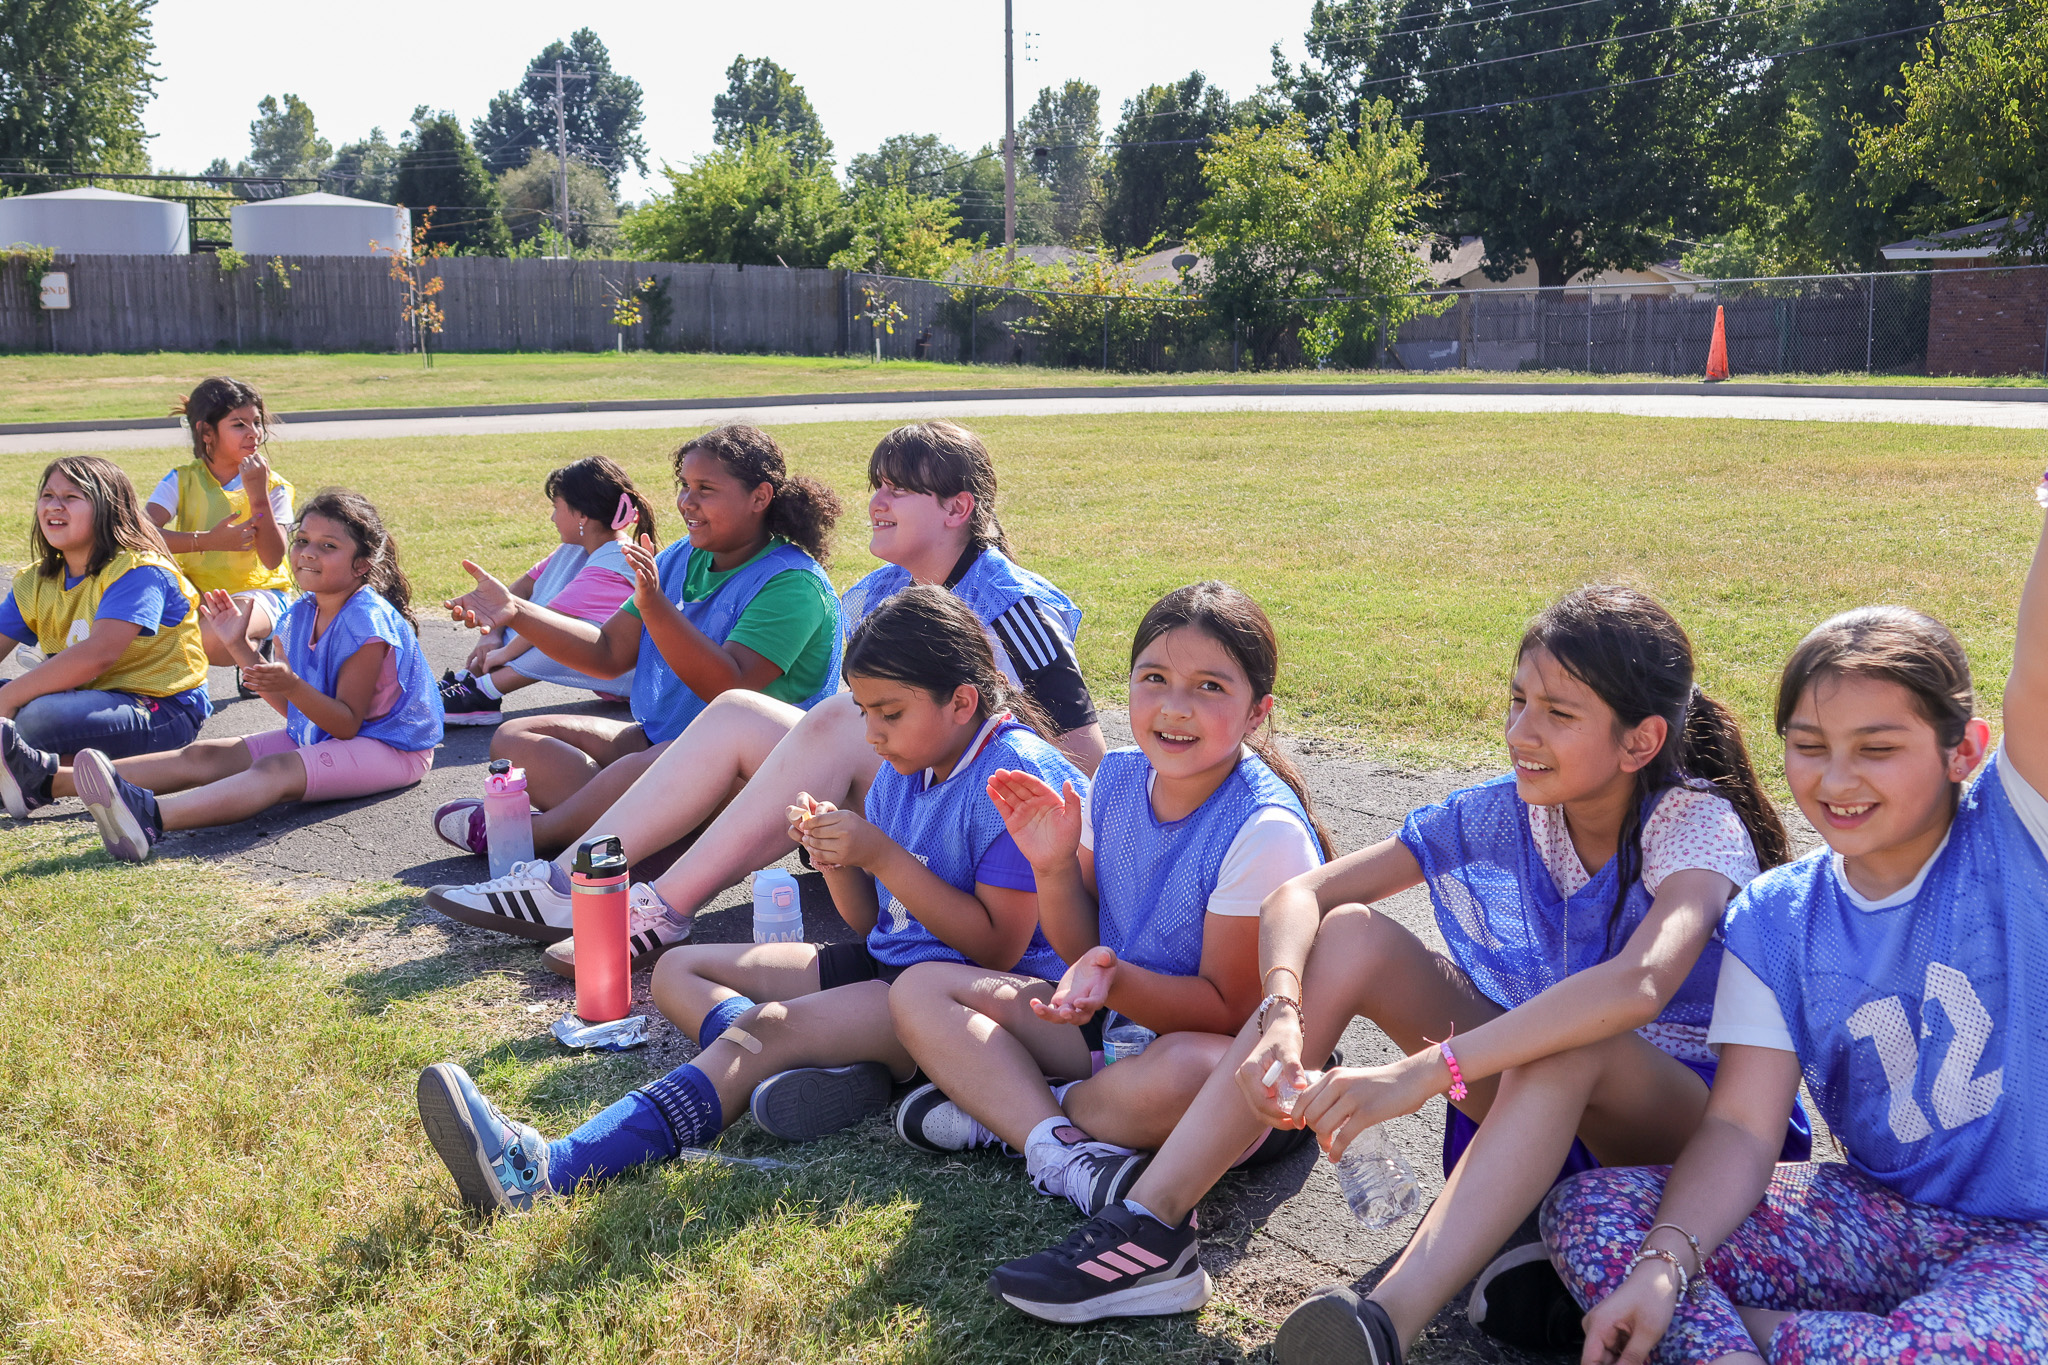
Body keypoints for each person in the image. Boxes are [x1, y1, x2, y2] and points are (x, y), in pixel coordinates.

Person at [981, 585, 1809, 1353]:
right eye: (1518, 700)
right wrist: (1279, 1011)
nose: (1522, 731)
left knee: (1574, 1037)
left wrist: (1423, 1073)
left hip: (1687, 1128)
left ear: (1642, 739)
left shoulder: (1695, 823)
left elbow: (1638, 985)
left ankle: (1383, 1324)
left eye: (1558, 712)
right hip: (1535, 1097)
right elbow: (1300, 895)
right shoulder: (1513, 803)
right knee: (1352, 933)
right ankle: (1152, 1225)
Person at [1547, 500, 2048, 1365]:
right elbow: (1741, 1127)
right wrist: (1666, 1267)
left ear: (1965, 749)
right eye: (1809, 744)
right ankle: (1796, 1343)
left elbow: (2037, 676)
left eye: (1877, 747)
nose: (1837, 778)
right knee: (1596, 1214)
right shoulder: (1777, 915)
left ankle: (1752, 1342)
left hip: (2032, 1247)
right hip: (1875, 1215)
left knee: (1955, 1348)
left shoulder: (2015, 835)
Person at [414, 586, 1086, 1212]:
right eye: (862, 711)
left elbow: (996, 945)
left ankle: (548, 1170)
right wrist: (840, 859)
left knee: (764, 1030)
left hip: (972, 999)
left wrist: (877, 852)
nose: (871, 733)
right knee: (679, 967)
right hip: (903, 967)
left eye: (889, 713)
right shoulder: (911, 762)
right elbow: (871, 923)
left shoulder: (1013, 774)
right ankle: (829, 1067)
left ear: (963, 701)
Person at [427, 420, 1104, 974]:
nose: (876, 500)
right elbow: (864, 732)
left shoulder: (1010, 602)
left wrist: (976, 779)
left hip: (992, 840)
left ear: (958, 507)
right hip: (896, 804)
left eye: (898, 489)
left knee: (800, 716)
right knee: (737, 716)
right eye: (876, 484)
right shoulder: (874, 593)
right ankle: (573, 885)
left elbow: (1083, 764)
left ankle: (654, 902)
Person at [886, 581, 1332, 1222]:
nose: (1174, 708)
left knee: (1190, 1072)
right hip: (1114, 1037)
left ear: (1257, 713)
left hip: (1217, 1067)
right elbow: (1079, 943)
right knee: (920, 990)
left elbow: (1229, 1013)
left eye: (1210, 687)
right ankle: (1062, 1147)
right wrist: (1053, 866)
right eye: (1153, 677)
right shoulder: (1118, 777)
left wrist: (1113, 979)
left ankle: (1019, 1114)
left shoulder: (1264, 828)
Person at [428, 422, 842, 889]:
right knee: (517, 738)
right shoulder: (682, 555)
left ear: (760, 497)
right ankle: (643, 831)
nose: (687, 501)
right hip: (663, 741)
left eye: (706, 489)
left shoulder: (792, 584)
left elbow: (728, 690)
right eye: (684, 486)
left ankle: (538, 836)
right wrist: (517, 611)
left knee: (645, 766)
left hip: (756, 780)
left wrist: (656, 607)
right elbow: (607, 654)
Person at [2, 489, 443, 860]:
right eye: (303, 540)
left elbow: (345, 724)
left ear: (362, 564)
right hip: (327, 734)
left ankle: (150, 817)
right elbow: (296, 713)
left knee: (275, 771)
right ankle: (45, 781)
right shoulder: (299, 613)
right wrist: (240, 647)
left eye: (329, 546)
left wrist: (288, 683)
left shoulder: (367, 624)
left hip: (390, 749)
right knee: (204, 756)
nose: (308, 552)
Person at [0, 455, 210, 781]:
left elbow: (98, 655)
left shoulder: (138, 570)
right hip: (84, 701)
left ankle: (36, 774)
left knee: (37, 717)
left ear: (108, 509)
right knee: (23, 707)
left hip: (161, 711)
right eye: (47, 495)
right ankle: (30, 770)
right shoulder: (35, 581)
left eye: (71, 497)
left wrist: (9, 697)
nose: (54, 506)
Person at [437, 455, 660, 725]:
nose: (553, 517)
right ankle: (473, 681)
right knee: (533, 613)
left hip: (636, 678)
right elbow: (520, 591)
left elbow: (549, 621)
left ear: (582, 515)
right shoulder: (574, 550)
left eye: (557, 507)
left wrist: (502, 655)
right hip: (606, 667)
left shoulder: (615, 561)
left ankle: (484, 692)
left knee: (558, 632)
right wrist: (491, 637)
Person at [147, 376, 295, 676]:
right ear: (206, 431)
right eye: (239, 424)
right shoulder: (182, 478)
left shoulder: (274, 487)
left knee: (212, 637)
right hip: (195, 593)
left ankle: (257, 643)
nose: (253, 433)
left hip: (258, 593)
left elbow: (272, 558)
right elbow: (138, 534)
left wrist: (258, 496)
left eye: (256, 423)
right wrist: (206, 541)